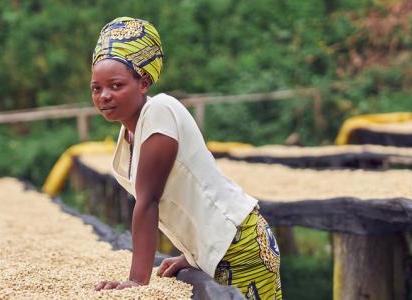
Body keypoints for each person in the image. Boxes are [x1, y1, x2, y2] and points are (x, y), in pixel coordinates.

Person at [91, 17, 282, 299]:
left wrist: (136, 281)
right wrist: (192, 256)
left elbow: (148, 202)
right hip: (220, 247)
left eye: (116, 86)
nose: (104, 96)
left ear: (143, 82)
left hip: (240, 246)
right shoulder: (129, 131)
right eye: (97, 88)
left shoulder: (160, 112)